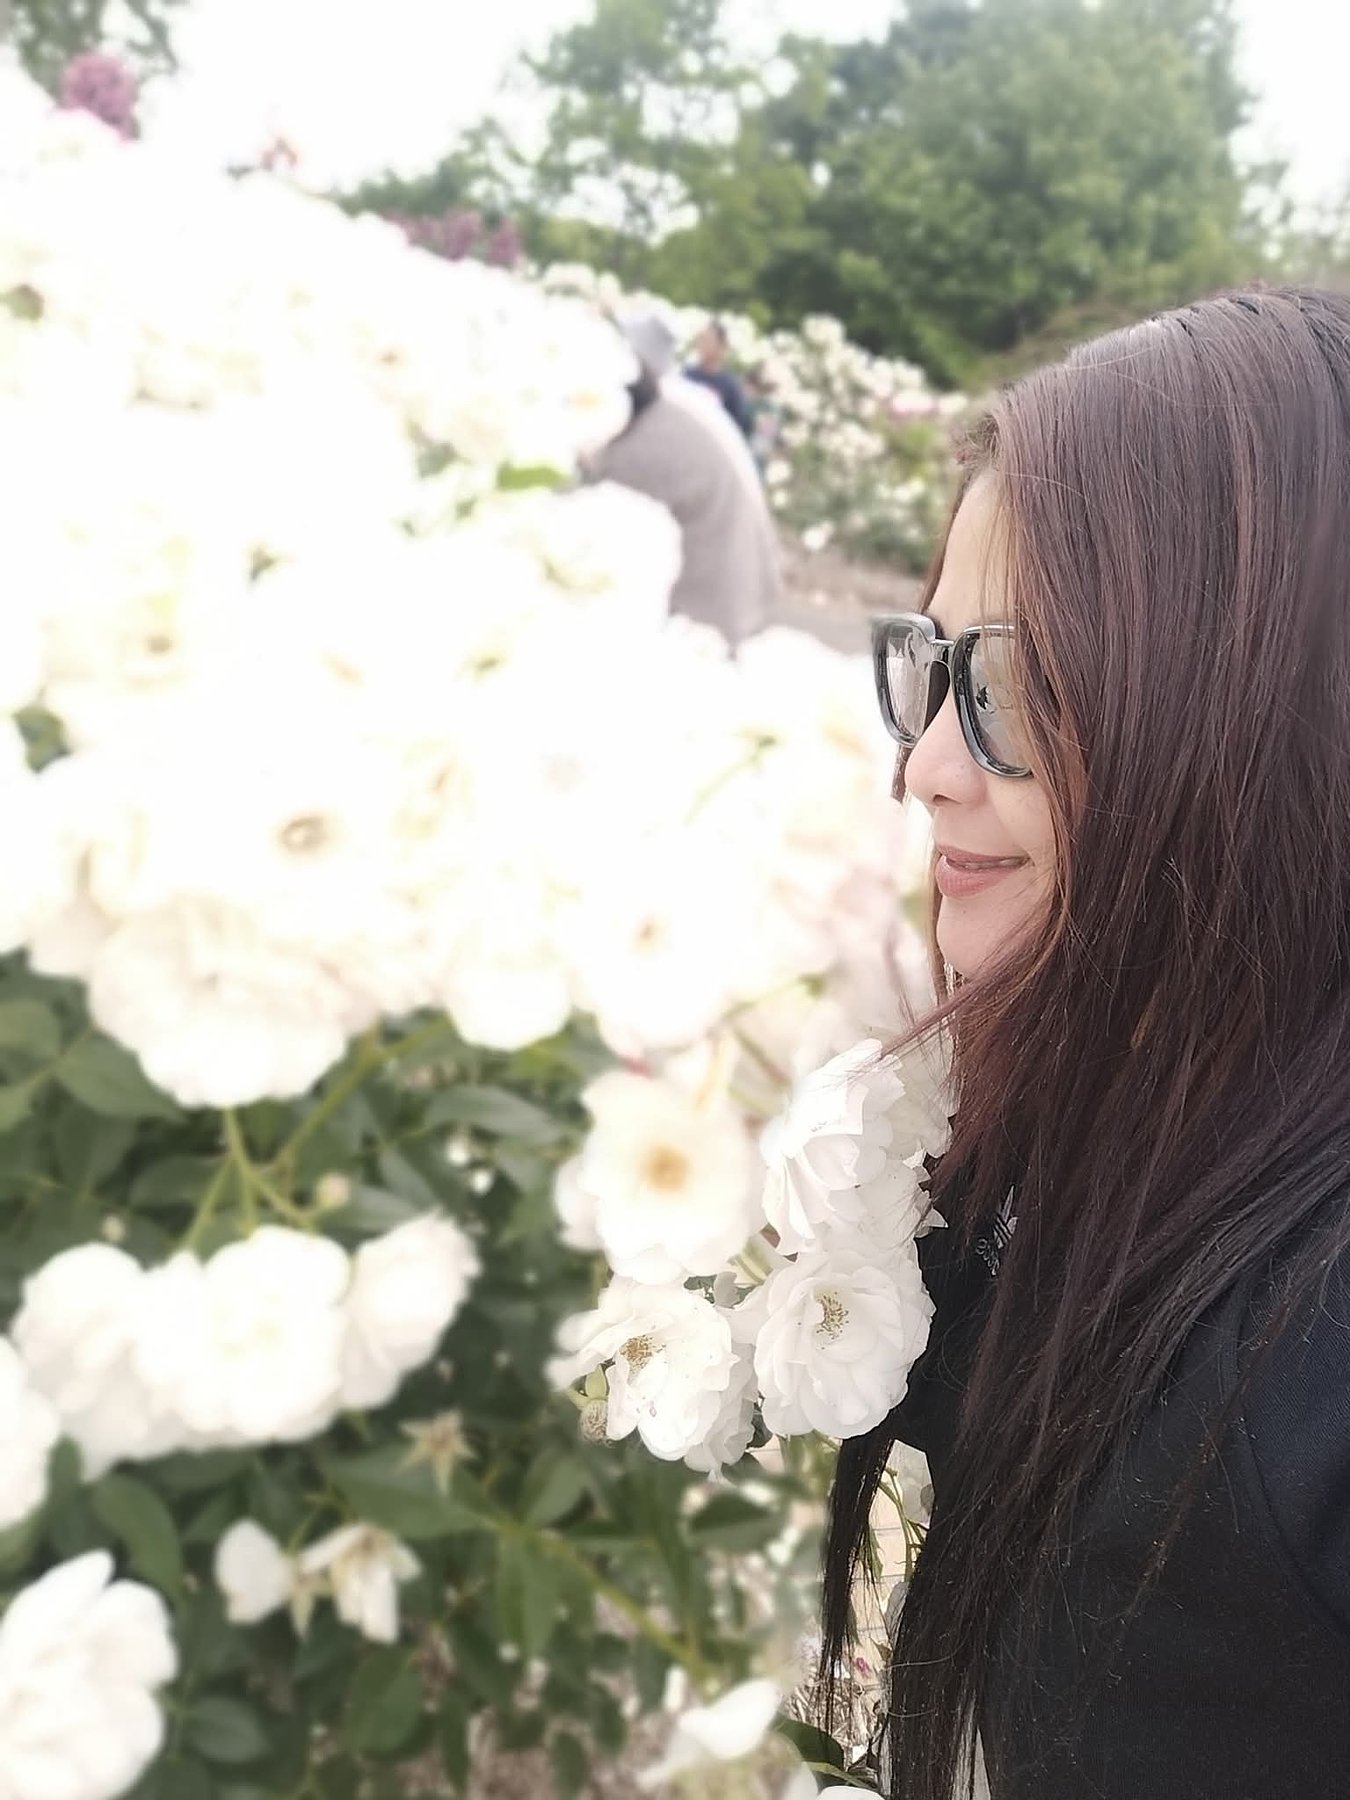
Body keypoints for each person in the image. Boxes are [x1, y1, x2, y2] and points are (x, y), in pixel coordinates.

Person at [822, 287, 1350, 1800]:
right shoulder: (1147, 1100)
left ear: (1264, 716)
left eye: (1012, 683)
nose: (926, 767)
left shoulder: (1302, 1369)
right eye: (933, 666)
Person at [586, 315, 781, 648]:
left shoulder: (647, 438)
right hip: (738, 593)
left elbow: (599, 554)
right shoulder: (679, 401)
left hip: (705, 621)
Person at [684, 318, 754, 440]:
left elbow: (735, 428)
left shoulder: (731, 387)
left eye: (707, 340)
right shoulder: (686, 376)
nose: (701, 344)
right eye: (701, 339)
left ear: (722, 346)